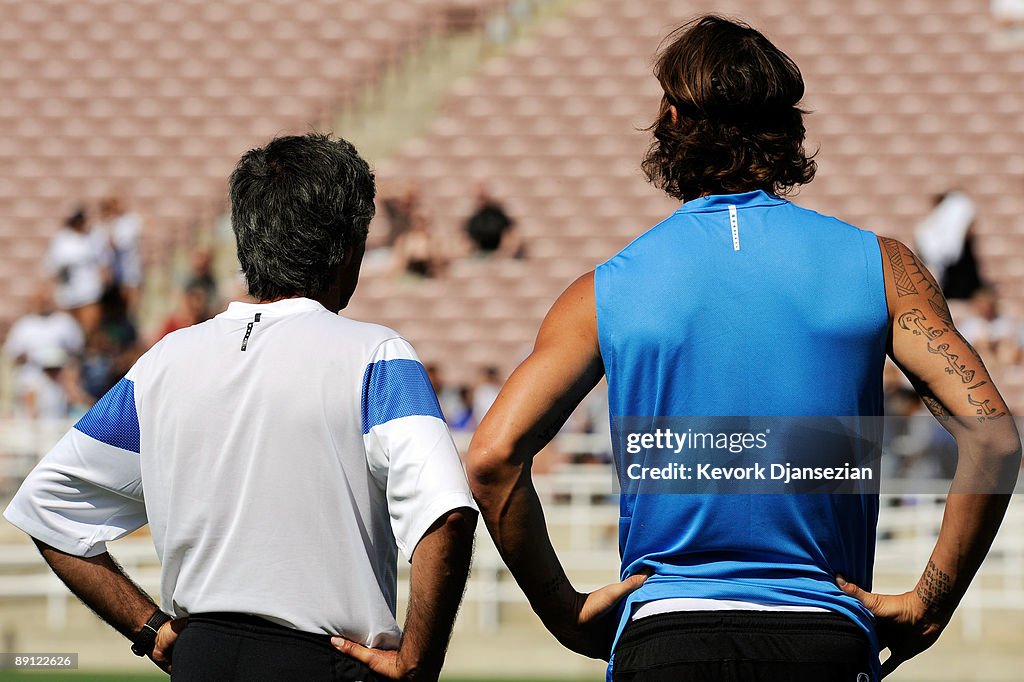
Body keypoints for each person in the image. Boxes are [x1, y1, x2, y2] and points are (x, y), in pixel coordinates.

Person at [466, 16, 1021, 682]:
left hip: (665, 637)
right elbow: (994, 438)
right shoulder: (880, 267)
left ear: (671, 118)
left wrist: (565, 612)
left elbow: (494, 456)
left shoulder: (607, 288)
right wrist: (931, 602)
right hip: (824, 634)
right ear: (788, 127)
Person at [4, 133, 478, 681]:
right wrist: (419, 661)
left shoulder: (165, 361)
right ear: (349, 248)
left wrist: (149, 629)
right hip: (326, 664)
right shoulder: (377, 355)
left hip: (200, 659)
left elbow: (47, 507)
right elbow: (447, 512)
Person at [46, 207, 109, 335]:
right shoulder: (62, 239)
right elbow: (53, 267)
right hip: (67, 294)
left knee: (90, 329)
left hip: (88, 292)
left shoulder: (93, 238)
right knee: (69, 331)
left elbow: (103, 261)